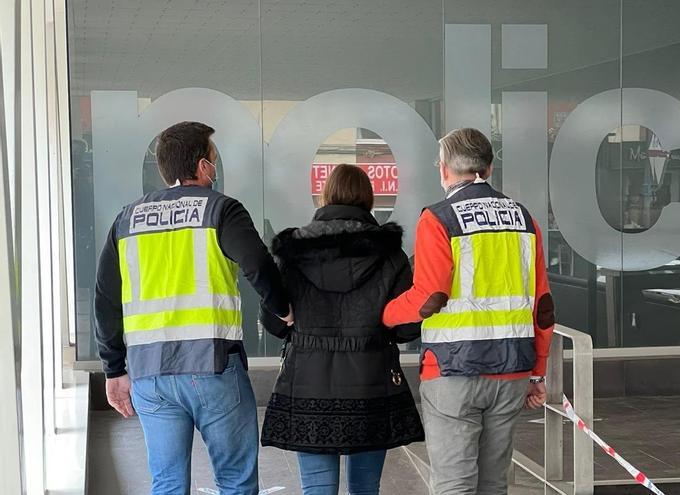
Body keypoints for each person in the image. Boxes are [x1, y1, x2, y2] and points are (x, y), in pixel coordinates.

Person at [94, 121, 293, 495]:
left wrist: (114, 368)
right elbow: (258, 263)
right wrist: (283, 309)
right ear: (202, 167)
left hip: (149, 375)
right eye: (213, 160)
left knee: (167, 483)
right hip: (213, 367)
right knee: (235, 481)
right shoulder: (221, 210)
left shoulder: (127, 219)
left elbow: (105, 299)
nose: (214, 170)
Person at [383, 128, 555, 494]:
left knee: (454, 484)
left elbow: (429, 297)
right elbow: (543, 308)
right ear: (489, 168)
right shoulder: (525, 220)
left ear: (444, 170)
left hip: (452, 371)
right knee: (494, 483)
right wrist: (537, 373)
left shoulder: (438, 219)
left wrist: (383, 314)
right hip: (512, 370)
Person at [259, 164, 424, 495]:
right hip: (371, 385)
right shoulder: (389, 253)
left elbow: (275, 322)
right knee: (366, 489)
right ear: (369, 199)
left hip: (308, 384)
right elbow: (407, 328)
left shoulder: (293, 252)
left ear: (324, 196)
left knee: (316, 490)